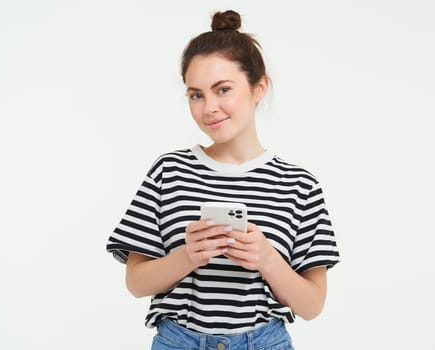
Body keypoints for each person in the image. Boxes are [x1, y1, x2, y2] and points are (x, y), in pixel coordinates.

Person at [106, 10, 340, 350]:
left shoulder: (299, 185)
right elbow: (136, 283)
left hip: (265, 342)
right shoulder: (169, 171)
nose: (208, 107)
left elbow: (312, 305)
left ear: (259, 87)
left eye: (223, 89)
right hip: (178, 341)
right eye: (196, 94)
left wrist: (267, 258)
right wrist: (188, 255)